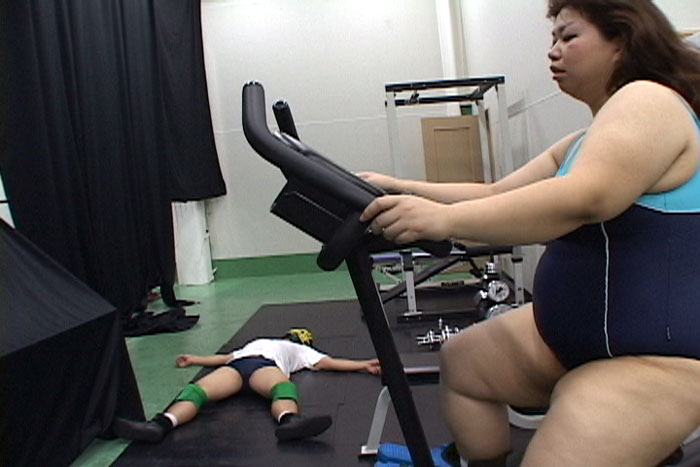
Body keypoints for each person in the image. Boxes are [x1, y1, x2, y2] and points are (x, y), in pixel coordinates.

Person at [359, 1, 700, 466]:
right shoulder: (584, 140)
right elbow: (495, 193)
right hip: (568, 340)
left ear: (621, 42)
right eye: (552, 39)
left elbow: (586, 198)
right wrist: (400, 187)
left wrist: (443, 221)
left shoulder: (650, 101)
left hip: (652, 359)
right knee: (464, 362)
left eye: (569, 37)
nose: (553, 51)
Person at [112, 328, 381, 443]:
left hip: (257, 366)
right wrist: (195, 359)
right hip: (242, 366)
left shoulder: (300, 351)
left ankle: (289, 421)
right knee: (196, 390)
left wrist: (362, 365)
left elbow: (328, 363)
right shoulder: (260, 343)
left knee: (283, 387)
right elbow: (226, 357)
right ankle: (160, 425)